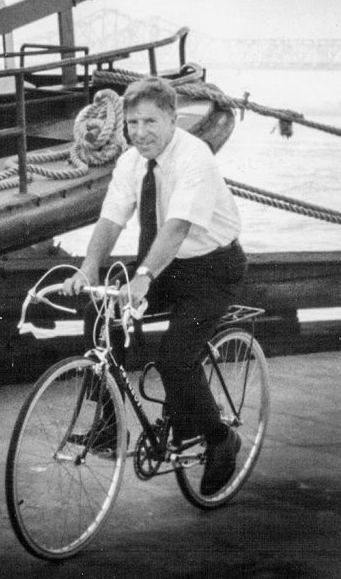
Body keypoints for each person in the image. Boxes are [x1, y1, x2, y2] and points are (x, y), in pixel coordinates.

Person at [62, 75, 247, 496]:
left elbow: (178, 226)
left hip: (212, 267)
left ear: (171, 119)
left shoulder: (194, 157)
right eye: (132, 123)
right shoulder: (131, 161)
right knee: (100, 314)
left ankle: (222, 439)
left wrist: (144, 277)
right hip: (166, 264)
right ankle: (108, 425)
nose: (140, 133)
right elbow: (111, 219)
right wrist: (89, 268)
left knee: (176, 359)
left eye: (150, 122)